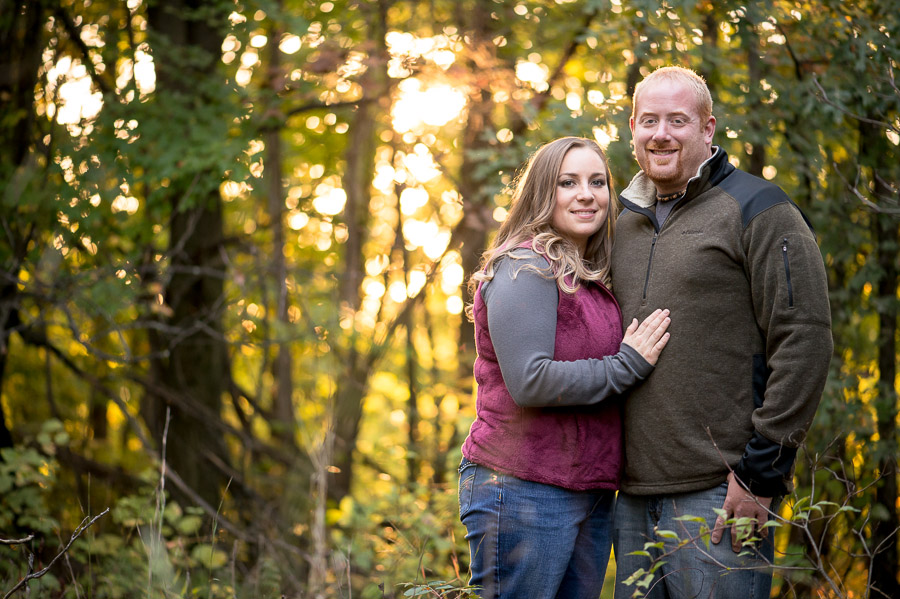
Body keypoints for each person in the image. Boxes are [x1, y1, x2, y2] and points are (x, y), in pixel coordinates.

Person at [610, 66, 833, 598]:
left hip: (722, 494)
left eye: (677, 120)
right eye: (649, 121)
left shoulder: (760, 209)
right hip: (629, 497)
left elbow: (804, 338)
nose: (661, 133)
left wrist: (764, 473)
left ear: (708, 129)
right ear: (633, 129)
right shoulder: (618, 221)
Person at [458, 136, 671, 599]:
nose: (586, 194)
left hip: (586, 488)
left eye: (597, 182)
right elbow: (531, 382)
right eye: (567, 182)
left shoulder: (585, 275)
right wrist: (627, 364)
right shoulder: (525, 266)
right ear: (541, 191)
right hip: (522, 487)